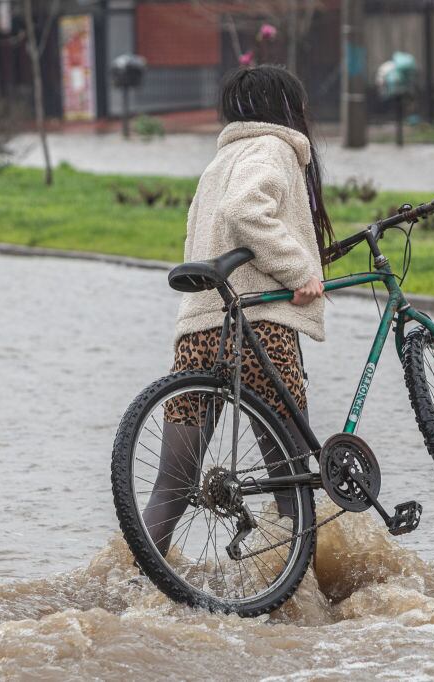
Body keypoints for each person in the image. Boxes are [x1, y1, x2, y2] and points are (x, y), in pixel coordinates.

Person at [142, 65, 333, 556]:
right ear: (285, 109)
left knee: (172, 484)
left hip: (200, 331)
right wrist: (298, 271)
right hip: (259, 328)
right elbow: (246, 210)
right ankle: (302, 589)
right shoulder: (273, 147)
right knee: (291, 483)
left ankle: (134, 580)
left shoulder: (220, 161)